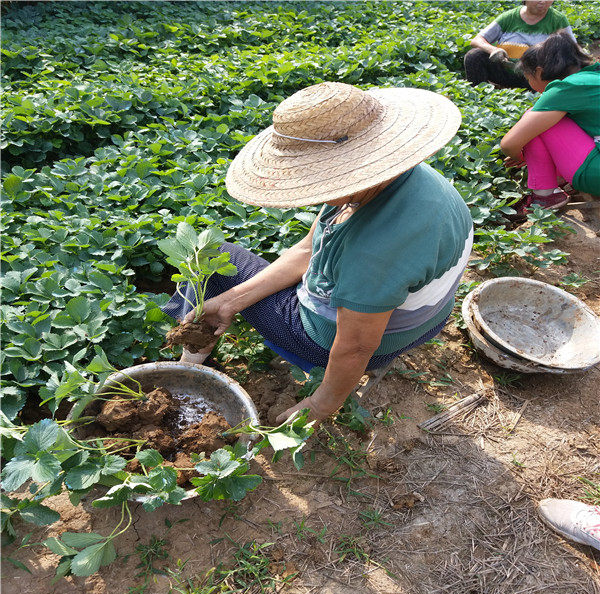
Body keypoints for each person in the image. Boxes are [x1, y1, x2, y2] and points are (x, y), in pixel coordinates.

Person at [162, 82, 473, 426]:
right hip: (424, 323)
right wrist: (231, 301)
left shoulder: (372, 250)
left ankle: (188, 367)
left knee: (211, 256)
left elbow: (355, 347)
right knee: (229, 279)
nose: (312, 191)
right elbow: (309, 249)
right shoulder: (409, 176)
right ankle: (206, 332)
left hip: (334, 343)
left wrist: (322, 403)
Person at [500, 33, 599, 220]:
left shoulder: (566, 87)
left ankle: (544, 196)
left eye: (528, 77)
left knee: (533, 119)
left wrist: (520, 155)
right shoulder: (593, 76)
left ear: (538, 72)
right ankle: (559, 178)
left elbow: (509, 144)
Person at [464, 1, 576, 89]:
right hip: (506, 71)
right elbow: (477, 40)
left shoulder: (558, 20)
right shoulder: (509, 18)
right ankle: (478, 93)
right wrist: (493, 49)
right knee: (474, 56)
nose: (543, 2)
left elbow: (572, 49)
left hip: (538, 76)